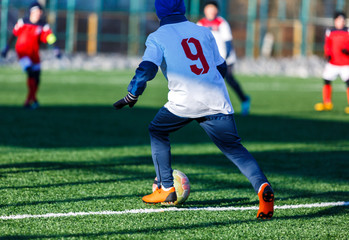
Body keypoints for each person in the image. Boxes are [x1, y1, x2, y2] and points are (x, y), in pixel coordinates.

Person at [113, 0, 274, 219]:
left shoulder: (157, 37)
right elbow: (221, 66)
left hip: (185, 101)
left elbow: (147, 69)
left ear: (158, 11)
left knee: (158, 130)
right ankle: (263, 187)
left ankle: (167, 188)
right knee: (235, 149)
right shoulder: (203, 31)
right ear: (183, 8)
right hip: (217, 99)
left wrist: (132, 94)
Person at [1, 1, 61, 109]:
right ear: (31, 12)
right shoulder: (23, 22)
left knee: (37, 78)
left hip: (34, 54)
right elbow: (14, 35)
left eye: (40, 12)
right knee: (31, 73)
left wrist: (56, 48)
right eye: (36, 12)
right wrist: (6, 48)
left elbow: (49, 37)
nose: (38, 14)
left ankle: (31, 100)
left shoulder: (43, 25)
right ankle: (31, 100)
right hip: (23, 52)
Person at [197, 1, 251, 116]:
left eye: (213, 8)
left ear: (217, 10)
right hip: (209, 61)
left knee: (229, 80)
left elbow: (228, 42)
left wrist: (224, 59)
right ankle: (211, 108)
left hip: (226, 59)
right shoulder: (200, 24)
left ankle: (244, 100)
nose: (211, 11)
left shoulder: (222, 23)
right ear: (205, 10)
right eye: (209, 8)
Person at [314, 11, 349, 114]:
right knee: (326, 80)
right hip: (333, 62)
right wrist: (327, 54)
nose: (340, 22)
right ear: (335, 21)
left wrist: (347, 50)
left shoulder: (347, 31)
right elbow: (327, 44)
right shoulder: (330, 31)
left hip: (346, 63)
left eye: (342, 20)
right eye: (339, 20)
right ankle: (327, 103)